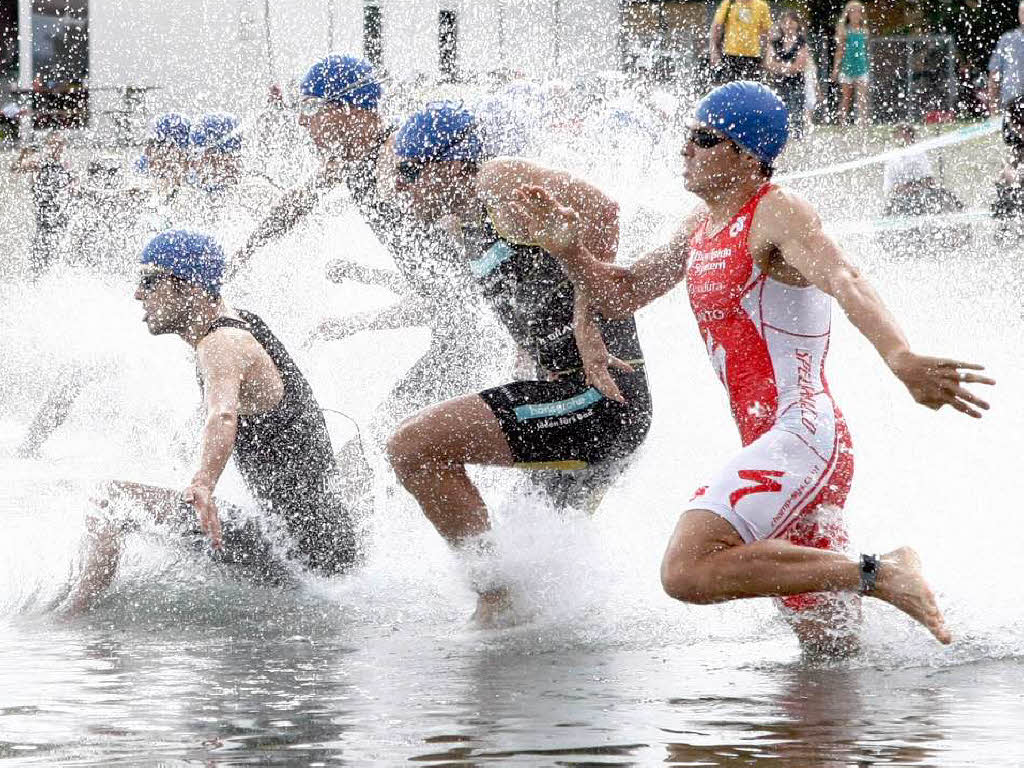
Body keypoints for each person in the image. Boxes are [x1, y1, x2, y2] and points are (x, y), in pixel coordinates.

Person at [511, 81, 994, 656]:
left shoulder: (775, 211)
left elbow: (845, 277)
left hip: (804, 436)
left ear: (744, 156)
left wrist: (901, 357)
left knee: (686, 570)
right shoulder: (700, 225)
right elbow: (622, 293)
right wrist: (570, 250)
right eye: (687, 135)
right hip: (772, 440)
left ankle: (881, 571)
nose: (685, 148)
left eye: (703, 138)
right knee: (829, 650)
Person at [384, 102, 653, 626]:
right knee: (533, 574)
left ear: (448, 165)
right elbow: (531, 306)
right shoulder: (465, 227)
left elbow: (603, 212)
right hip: (575, 402)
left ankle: (492, 594)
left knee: (411, 447)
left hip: (601, 400)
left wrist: (585, 317)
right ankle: (506, 614)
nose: (400, 187)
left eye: (409, 172)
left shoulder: (496, 181)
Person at [233, 54, 508, 509]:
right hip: (456, 337)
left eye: (312, 109)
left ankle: (377, 548)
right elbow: (293, 207)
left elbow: (474, 248)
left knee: (388, 441)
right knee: (387, 446)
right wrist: (241, 254)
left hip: (479, 339)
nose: (304, 124)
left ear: (349, 108)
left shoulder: (401, 160)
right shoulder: (351, 161)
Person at [67, 230, 359, 613]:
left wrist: (204, 481)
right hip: (319, 546)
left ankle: (72, 619)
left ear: (188, 288)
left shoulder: (221, 343)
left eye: (149, 281)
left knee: (110, 499)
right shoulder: (238, 325)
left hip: (298, 558)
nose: (138, 294)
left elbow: (223, 414)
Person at [10, 131, 74, 277]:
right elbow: (15, 168)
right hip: (45, 220)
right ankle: (36, 281)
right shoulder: (40, 161)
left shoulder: (66, 164)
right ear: (47, 145)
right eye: (53, 144)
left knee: (62, 252)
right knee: (41, 253)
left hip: (64, 218)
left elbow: (75, 186)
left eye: (60, 144)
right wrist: (23, 155)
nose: (57, 148)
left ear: (64, 146)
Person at [881, 123, 963, 217]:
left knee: (943, 197)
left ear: (909, 135)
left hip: (920, 194)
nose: (896, 137)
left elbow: (929, 180)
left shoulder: (919, 154)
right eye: (896, 134)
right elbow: (889, 188)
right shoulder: (891, 158)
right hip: (901, 197)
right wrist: (904, 189)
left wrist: (914, 187)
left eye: (899, 133)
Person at [765, 10, 810, 139]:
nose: (788, 25)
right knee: (778, 110)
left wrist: (779, 67)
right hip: (778, 83)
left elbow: (799, 67)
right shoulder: (775, 42)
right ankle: (779, 136)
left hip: (796, 83)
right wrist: (788, 68)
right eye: (785, 22)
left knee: (796, 112)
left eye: (791, 21)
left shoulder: (801, 42)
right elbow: (768, 63)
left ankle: (797, 138)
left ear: (797, 24)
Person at [709, 0, 772, 85]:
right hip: (730, 55)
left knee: (751, 89)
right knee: (729, 88)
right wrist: (713, 52)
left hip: (753, 56)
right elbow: (715, 28)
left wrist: (767, 56)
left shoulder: (761, 6)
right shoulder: (729, 3)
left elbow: (767, 34)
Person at [988, 1, 1024, 146]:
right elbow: (994, 74)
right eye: (1023, 13)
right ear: (1019, 15)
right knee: (1014, 150)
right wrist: (993, 109)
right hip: (1013, 106)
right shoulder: (1008, 40)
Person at [832, 1, 870, 126]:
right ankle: (842, 122)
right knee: (846, 98)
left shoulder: (864, 31)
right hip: (847, 67)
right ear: (848, 14)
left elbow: (864, 50)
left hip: (861, 67)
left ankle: (863, 123)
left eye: (858, 11)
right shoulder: (844, 31)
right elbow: (840, 51)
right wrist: (836, 68)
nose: (856, 14)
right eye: (853, 11)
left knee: (862, 99)